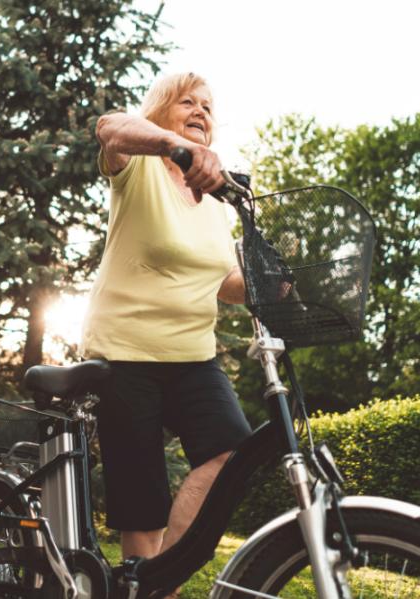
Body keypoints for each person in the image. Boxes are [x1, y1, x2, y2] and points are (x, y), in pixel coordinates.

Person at [81, 72, 252, 566]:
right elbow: (108, 127)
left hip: (194, 356)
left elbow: (225, 285)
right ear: (159, 111)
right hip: (125, 352)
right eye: (187, 102)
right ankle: (146, 584)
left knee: (230, 455)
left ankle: (163, 579)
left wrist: (276, 280)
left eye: (208, 107)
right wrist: (175, 147)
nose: (201, 112)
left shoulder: (215, 199)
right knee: (143, 504)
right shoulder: (139, 163)